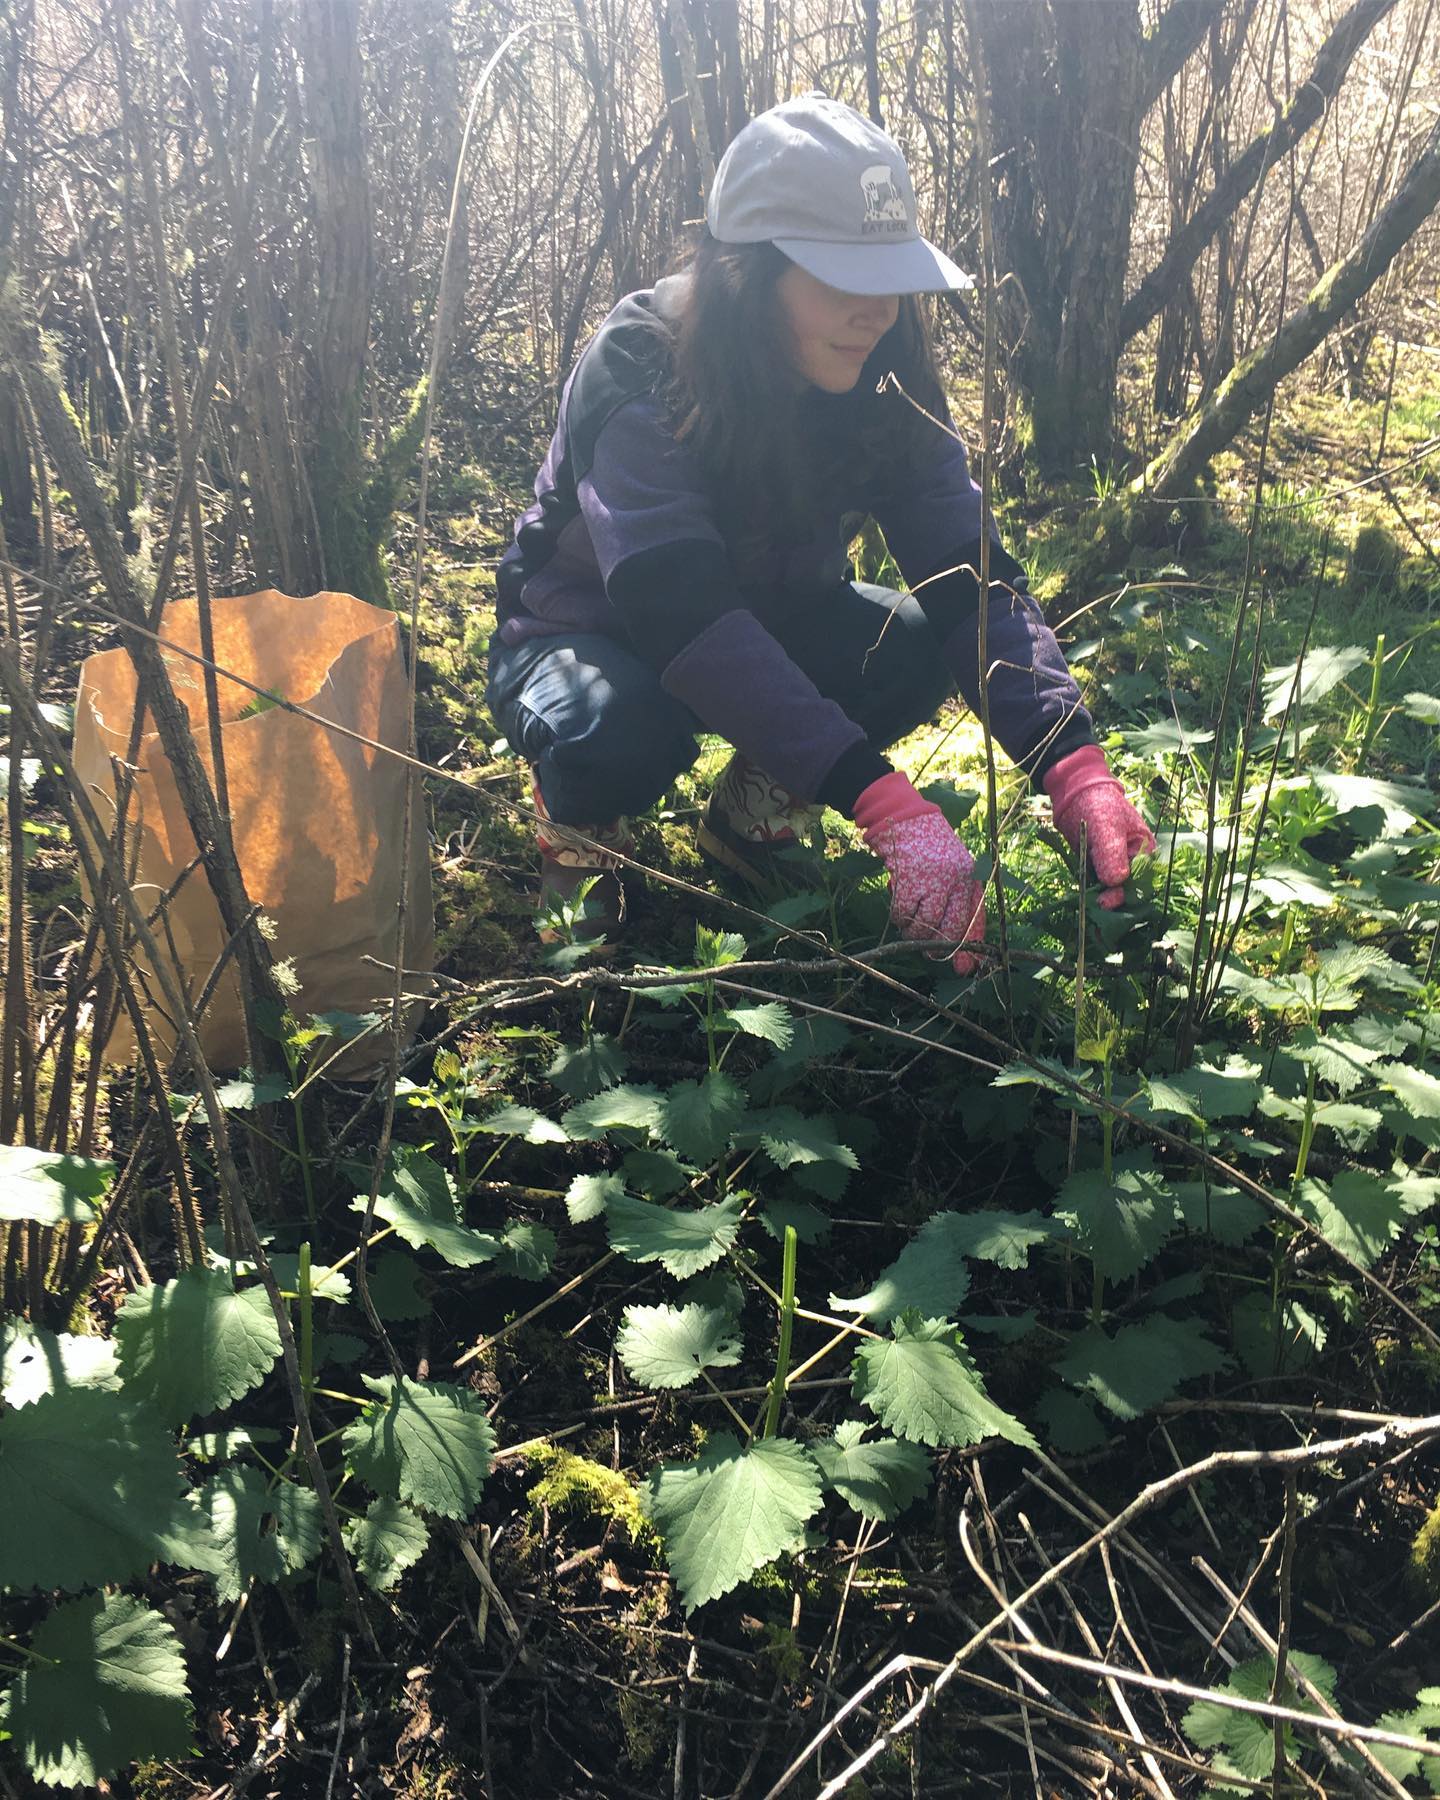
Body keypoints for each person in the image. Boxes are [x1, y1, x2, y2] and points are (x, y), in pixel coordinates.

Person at [487, 93, 1154, 966]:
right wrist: (885, 806)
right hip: (591, 637)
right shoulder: (642, 365)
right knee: (611, 733)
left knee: (907, 649)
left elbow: (966, 572)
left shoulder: (881, 373)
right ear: (747, 273)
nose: (878, 312)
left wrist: (1074, 764)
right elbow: (680, 613)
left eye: (893, 281)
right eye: (846, 278)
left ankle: (749, 825)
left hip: (767, 621)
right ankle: (578, 848)